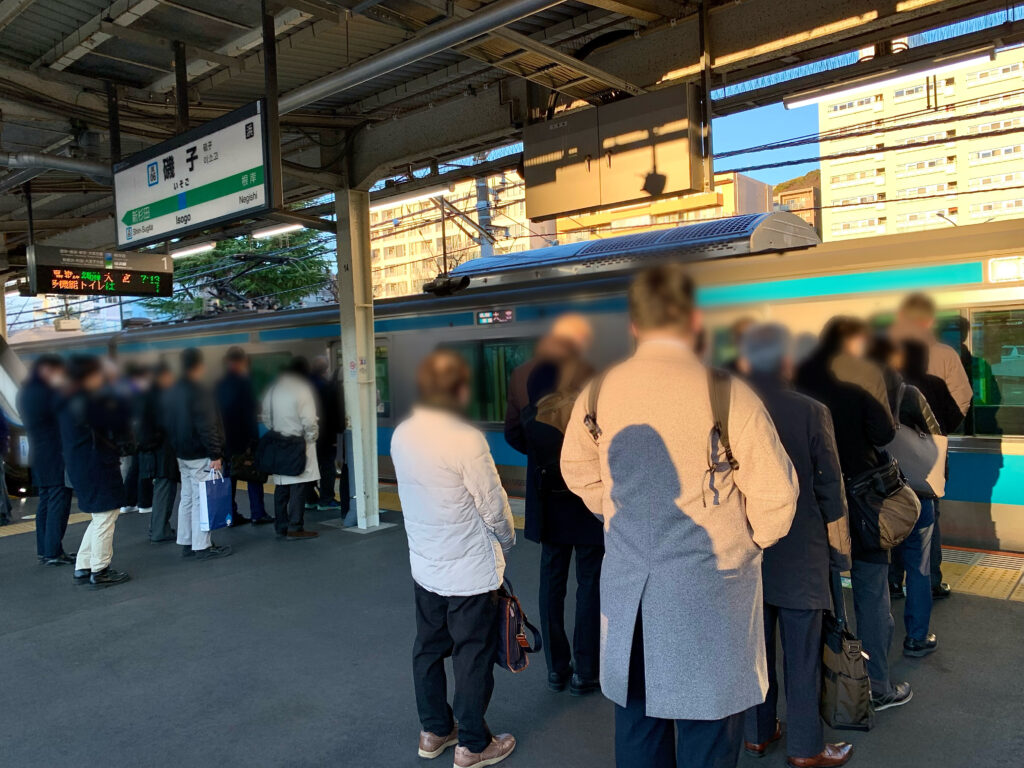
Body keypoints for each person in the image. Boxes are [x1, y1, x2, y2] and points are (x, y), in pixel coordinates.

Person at [561, 265, 799, 768]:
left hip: (630, 599)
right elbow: (777, 499)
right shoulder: (726, 393)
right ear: (693, 320)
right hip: (709, 597)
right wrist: (745, 539)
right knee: (708, 732)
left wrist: (614, 513)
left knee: (639, 725)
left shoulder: (599, 392)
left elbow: (577, 470)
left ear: (633, 325)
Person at [391, 349, 517, 768]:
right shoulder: (466, 439)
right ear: (459, 390)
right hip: (469, 572)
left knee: (428, 647)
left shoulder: (402, 434)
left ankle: (434, 731)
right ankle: (473, 744)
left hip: (426, 564)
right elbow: (493, 505)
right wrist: (507, 539)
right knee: (472, 652)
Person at [738, 324, 854, 768]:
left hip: (748, 551)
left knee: (757, 651)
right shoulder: (810, 411)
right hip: (802, 551)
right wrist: (840, 556)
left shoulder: (733, 412)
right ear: (785, 362)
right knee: (802, 655)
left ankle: (757, 732)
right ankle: (807, 748)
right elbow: (830, 488)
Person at [796, 318, 911, 712]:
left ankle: (830, 682)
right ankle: (877, 685)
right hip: (862, 498)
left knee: (826, 595)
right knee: (871, 589)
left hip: (813, 500)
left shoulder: (800, 372)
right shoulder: (867, 372)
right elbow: (882, 434)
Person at [519, 357, 604, 696]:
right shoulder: (589, 415)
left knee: (551, 589)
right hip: (586, 510)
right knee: (590, 589)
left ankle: (556, 668)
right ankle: (586, 671)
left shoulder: (532, 416)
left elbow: (514, 434)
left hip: (549, 509)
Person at [890, 293, 971, 600]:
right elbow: (961, 401)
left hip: (891, 451)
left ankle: (894, 581)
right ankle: (931, 580)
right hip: (930, 453)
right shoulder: (946, 355)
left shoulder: (886, 355)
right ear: (928, 321)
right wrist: (938, 432)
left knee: (894, 508)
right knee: (929, 516)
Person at [869, 337, 943, 658]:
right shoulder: (909, 393)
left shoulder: (860, 396)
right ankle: (916, 637)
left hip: (876, 496)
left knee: (873, 568)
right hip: (916, 495)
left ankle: (875, 640)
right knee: (920, 566)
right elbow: (937, 437)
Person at [58, 355, 130, 589]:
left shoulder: (67, 398)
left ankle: (83, 565)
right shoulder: (86, 401)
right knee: (106, 518)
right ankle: (100, 570)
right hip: (97, 466)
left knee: (100, 517)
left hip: (82, 465)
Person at [164, 348, 232, 560]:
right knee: (203, 499)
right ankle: (202, 546)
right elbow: (207, 426)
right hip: (200, 453)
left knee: (188, 498)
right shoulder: (200, 391)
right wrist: (215, 454)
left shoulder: (173, 390)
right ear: (199, 366)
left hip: (182, 454)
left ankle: (187, 541)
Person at [19, 354, 74, 565]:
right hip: (54, 454)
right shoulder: (47, 393)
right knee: (58, 501)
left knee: (45, 501)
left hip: (39, 455)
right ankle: (53, 551)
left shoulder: (27, 392)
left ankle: (44, 549)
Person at [262, 357, 320, 541]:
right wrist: (310, 438)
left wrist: (277, 430)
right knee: (298, 485)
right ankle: (295, 527)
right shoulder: (302, 390)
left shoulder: (272, 391)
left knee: (281, 486)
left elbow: (266, 417)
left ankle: (281, 526)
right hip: (298, 443)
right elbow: (309, 420)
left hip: (278, 441)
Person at [215, 346, 271, 525]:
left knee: (229, 478)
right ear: (241, 362)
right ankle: (258, 513)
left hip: (226, 441)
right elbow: (249, 414)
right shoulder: (244, 383)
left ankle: (229, 515)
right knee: (253, 476)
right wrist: (254, 440)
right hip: (244, 439)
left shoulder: (220, 384)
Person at [138, 362, 179, 543]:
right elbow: (162, 426)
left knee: (161, 491)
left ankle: (158, 527)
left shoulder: (148, 395)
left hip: (153, 453)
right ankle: (160, 530)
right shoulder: (160, 397)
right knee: (164, 491)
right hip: (162, 453)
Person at [309, 355, 346, 512]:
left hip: (308, 436)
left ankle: (310, 499)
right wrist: (337, 433)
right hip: (325, 435)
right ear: (326, 369)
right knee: (327, 467)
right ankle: (326, 499)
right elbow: (331, 413)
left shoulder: (306, 385)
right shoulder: (326, 387)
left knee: (310, 467)